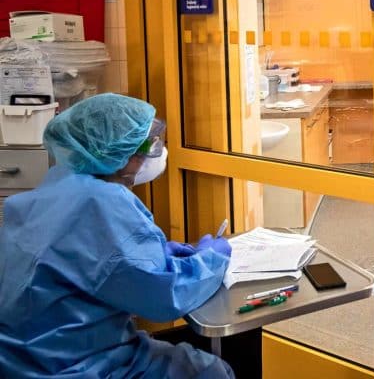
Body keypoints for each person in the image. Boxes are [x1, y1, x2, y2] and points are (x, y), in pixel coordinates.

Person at [0, 94, 234, 378]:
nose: (153, 154)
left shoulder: (57, 185)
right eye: (145, 147)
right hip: (70, 366)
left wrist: (162, 252)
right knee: (209, 371)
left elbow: (88, 260)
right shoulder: (103, 201)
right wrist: (214, 257)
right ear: (114, 152)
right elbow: (164, 296)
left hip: (17, 359)